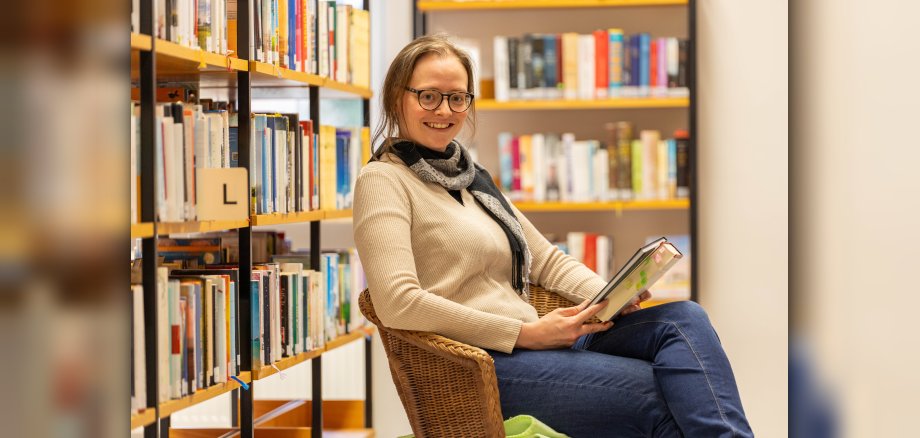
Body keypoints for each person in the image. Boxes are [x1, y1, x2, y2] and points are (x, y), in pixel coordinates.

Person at [353, 34, 754, 438]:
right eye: (428, 96)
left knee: (685, 320)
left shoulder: (472, 178)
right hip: (484, 365)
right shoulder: (383, 181)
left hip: (540, 340)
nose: (444, 110)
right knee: (661, 395)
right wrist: (523, 334)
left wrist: (611, 298)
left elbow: (545, 260)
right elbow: (398, 303)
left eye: (457, 98)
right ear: (397, 97)